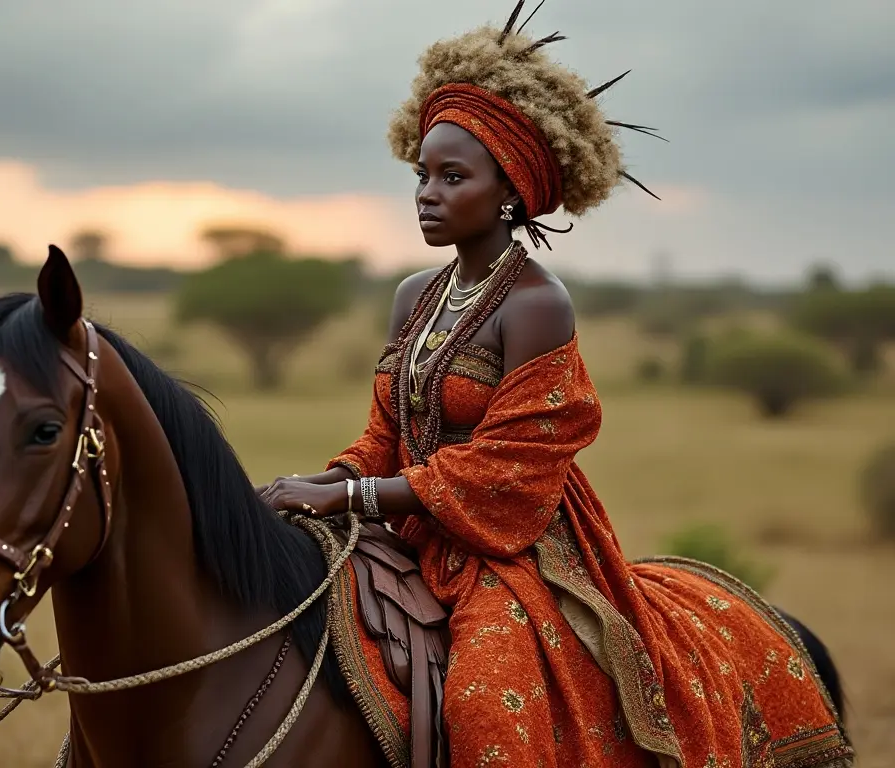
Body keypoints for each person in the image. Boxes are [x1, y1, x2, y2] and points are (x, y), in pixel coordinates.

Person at [259, 4, 854, 766]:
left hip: (513, 549)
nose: (426, 193)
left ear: (509, 191)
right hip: (406, 528)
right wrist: (321, 482)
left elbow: (500, 470)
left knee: (482, 706)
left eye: (452, 176)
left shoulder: (537, 304)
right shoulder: (414, 295)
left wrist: (348, 499)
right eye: (421, 174)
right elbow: (386, 432)